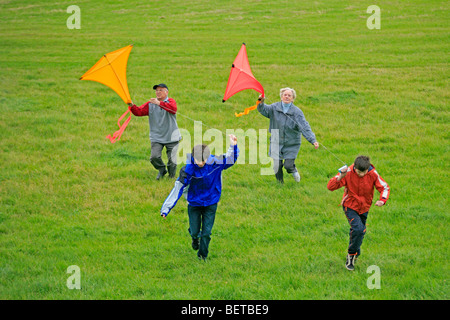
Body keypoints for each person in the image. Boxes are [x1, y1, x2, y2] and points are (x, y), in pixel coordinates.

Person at [160, 134, 239, 261]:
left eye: (204, 160)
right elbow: (177, 189)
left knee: (206, 233)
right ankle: (194, 237)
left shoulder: (215, 163)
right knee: (195, 231)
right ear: (193, 158)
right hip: (194, 203)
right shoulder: (187, 170)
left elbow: (230, 159)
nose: (201, 163)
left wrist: (233, 145)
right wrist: (166, 208)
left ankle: (202, 256)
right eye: (198, 161)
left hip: (211, 202)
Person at [327, 155, 390, 271]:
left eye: (364, 172)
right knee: (358, 230)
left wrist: (382, 200)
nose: (361, 174)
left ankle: (356, 251)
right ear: (355, 167)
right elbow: (330, 187)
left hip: (365, 207)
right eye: (359, 172)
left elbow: (385, 187)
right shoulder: (348, 172)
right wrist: (341, 176)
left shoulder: (373, 174)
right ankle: (351, 256)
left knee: (359, 231)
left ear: (368, 169)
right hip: (350, 206)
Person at [257, 87, 319, 183]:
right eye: (285, 95)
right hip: (276, 141)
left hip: (292, 143)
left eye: (289, 95)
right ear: (281, 97)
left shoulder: (297, 112)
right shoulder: (274, 108)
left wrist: (313, 140)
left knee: (288, 165)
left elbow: (304, 126)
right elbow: (263, 110)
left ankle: (293, 171)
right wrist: (261, 102)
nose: (287, 97)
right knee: (276, 165)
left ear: (292, 99)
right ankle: (280, 184)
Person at [128, 83, 181, 180]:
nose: (158, 92)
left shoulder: (171, 101)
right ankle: (162, 170)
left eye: (161, 90)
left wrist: (159, 103)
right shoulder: (150, 104)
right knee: (154, 157)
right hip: (157, 137)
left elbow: (173, 109)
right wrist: (131, 105)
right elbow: (139, 112)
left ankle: (171, 177)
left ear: (166, 92)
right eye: (156, 90)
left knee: (172, 160)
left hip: (172, 136)